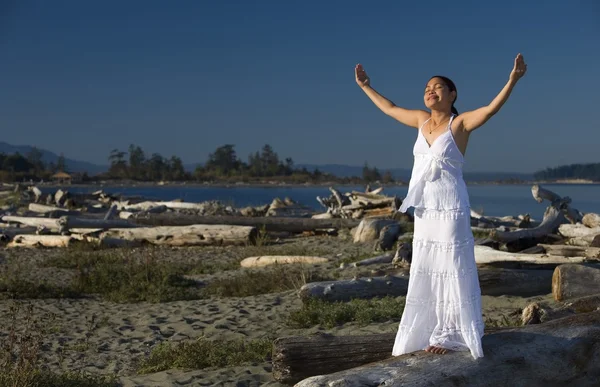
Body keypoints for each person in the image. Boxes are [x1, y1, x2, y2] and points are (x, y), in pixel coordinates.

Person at [355, 54, 527, 358]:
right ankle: (428, 330)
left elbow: (489, 110)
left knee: (451, 265)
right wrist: (367, 87)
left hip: (450, 205)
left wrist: (512, 80)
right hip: (426, 208)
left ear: (452, 95)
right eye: (427, 88)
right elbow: (391, 108)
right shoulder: (421, 120)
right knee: (427, 265)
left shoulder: (458, 124)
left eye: (437, 87)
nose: (430, 90)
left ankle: (452, 333)